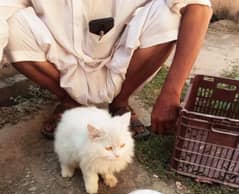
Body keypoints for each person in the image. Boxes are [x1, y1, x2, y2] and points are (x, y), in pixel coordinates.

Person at [0, 0, 212, 139]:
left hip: (122, 63)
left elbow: (199, 7)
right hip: (61, 62)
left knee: (168, 15)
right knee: (12, 24)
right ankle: (70, 101)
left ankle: (120, 102)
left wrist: (171, 93)